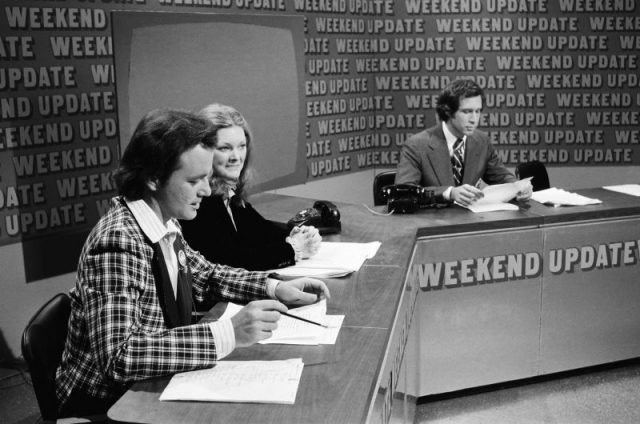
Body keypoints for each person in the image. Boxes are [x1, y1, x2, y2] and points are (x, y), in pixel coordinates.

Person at [55, 108, 329, 416]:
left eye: (207, 178)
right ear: (153, 177)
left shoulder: (165, 223)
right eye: (195, 180)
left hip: (152, 386)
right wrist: (230, 333)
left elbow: (207, 276)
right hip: (105, 406)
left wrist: (275, 287)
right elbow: (121, 356)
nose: (207, 190)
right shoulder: (118, 242)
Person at [181, 103, 321, 271]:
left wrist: (298, 234)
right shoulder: (201, 199)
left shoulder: (226, 191)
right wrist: (293, 248)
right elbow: (231, 260)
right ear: (203, 151)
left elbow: (258, 230)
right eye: (225, 148)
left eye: (241, 146)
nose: (236, 157)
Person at [395, 79, 532, 206]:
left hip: (470, 222)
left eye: (478, 111)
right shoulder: (416, 145)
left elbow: (501, 176)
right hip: (432, 222)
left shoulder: (482, 141)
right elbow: (404, 192)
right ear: (448, 111)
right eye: (467, 112)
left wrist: (519, 187)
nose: (474, 119)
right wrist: (449, 193)